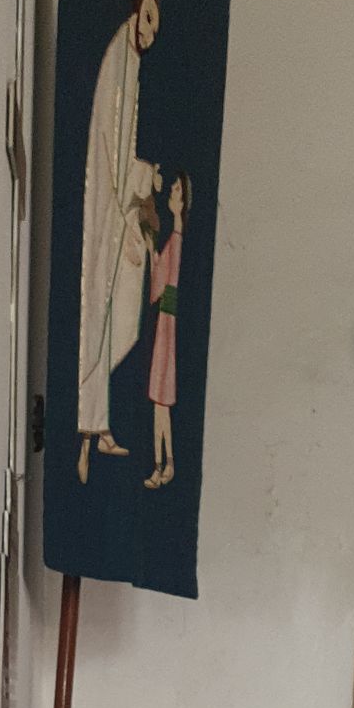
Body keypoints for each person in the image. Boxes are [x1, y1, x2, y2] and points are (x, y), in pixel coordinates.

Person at [77, 0, 161, 484]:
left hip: (121, 208)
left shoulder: (132, 64)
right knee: (100, 319)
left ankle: (99, 426)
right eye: (148, 20)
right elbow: (111, 152)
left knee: (118, 322)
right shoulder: (118, 62)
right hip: (109, 213)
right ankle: (88, 432)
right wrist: (144, 181)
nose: (150, 33)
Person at [144, 171, 190, 489]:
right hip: (165, 322)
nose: (171, 194)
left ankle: (164, 464)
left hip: (167, 324)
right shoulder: (175, 236)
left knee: (161, 401)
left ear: (182, 200)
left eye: (175, 190)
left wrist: (152, 252)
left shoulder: (177, 234)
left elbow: (162, 284)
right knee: (159, 403)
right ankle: (162, 463)